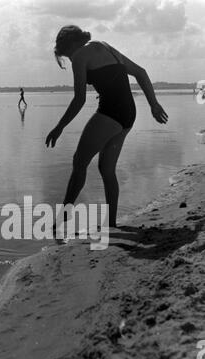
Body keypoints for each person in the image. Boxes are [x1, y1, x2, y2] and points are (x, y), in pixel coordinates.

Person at [46, 25, 168, 229]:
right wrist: (153, 105)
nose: (69, 58)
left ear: (71, 44)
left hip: (110, 112)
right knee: (106, 169)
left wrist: (59, 127)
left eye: (66, 53)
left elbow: (79, 99)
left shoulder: (80, 56)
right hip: (128, 114)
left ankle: (61, 220)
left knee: (79, 162)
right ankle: (111, 223)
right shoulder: (105, 46)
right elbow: (141, 72)